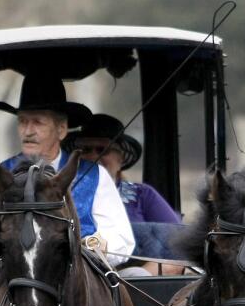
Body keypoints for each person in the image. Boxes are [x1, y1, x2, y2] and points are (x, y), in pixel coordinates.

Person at [0, 76, 135, 275]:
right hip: (10, 284)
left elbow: (122, 240)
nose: (27, 131)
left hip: (80, 284)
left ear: (62, 129)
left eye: (37, 122)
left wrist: (94, 245)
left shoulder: (96, 176)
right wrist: (14, 256)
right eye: (22, 122)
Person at [69, 113, 184, 275]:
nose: (94, 156)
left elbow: (177, 241)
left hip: (135, 279)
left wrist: (149, 269)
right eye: (86, 150)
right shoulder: (66, 193)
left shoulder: (143, 195)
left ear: (120, 158)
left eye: (103, 150)